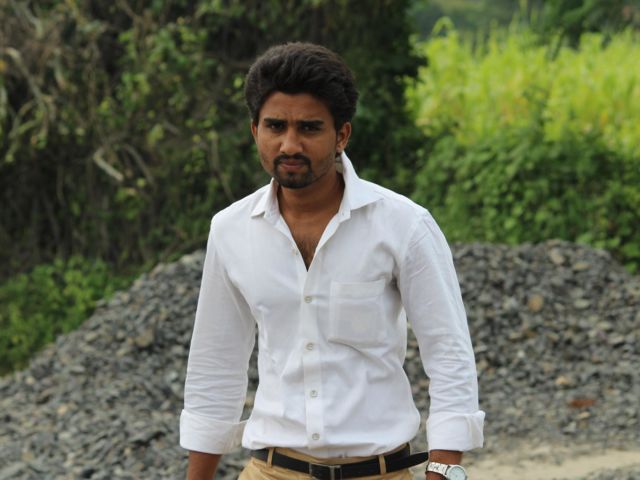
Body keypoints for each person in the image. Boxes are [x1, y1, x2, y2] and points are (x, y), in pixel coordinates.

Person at [180, 42, 484, 480]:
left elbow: (449, 356)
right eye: (275, 126)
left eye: (309, 128)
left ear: (341, 135)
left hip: (380, 472)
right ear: (255, 130)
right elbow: (216, 364)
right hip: (271, 471)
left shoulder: (403, 225)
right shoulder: (230, 230)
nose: (289, 144)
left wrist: (444, 472)